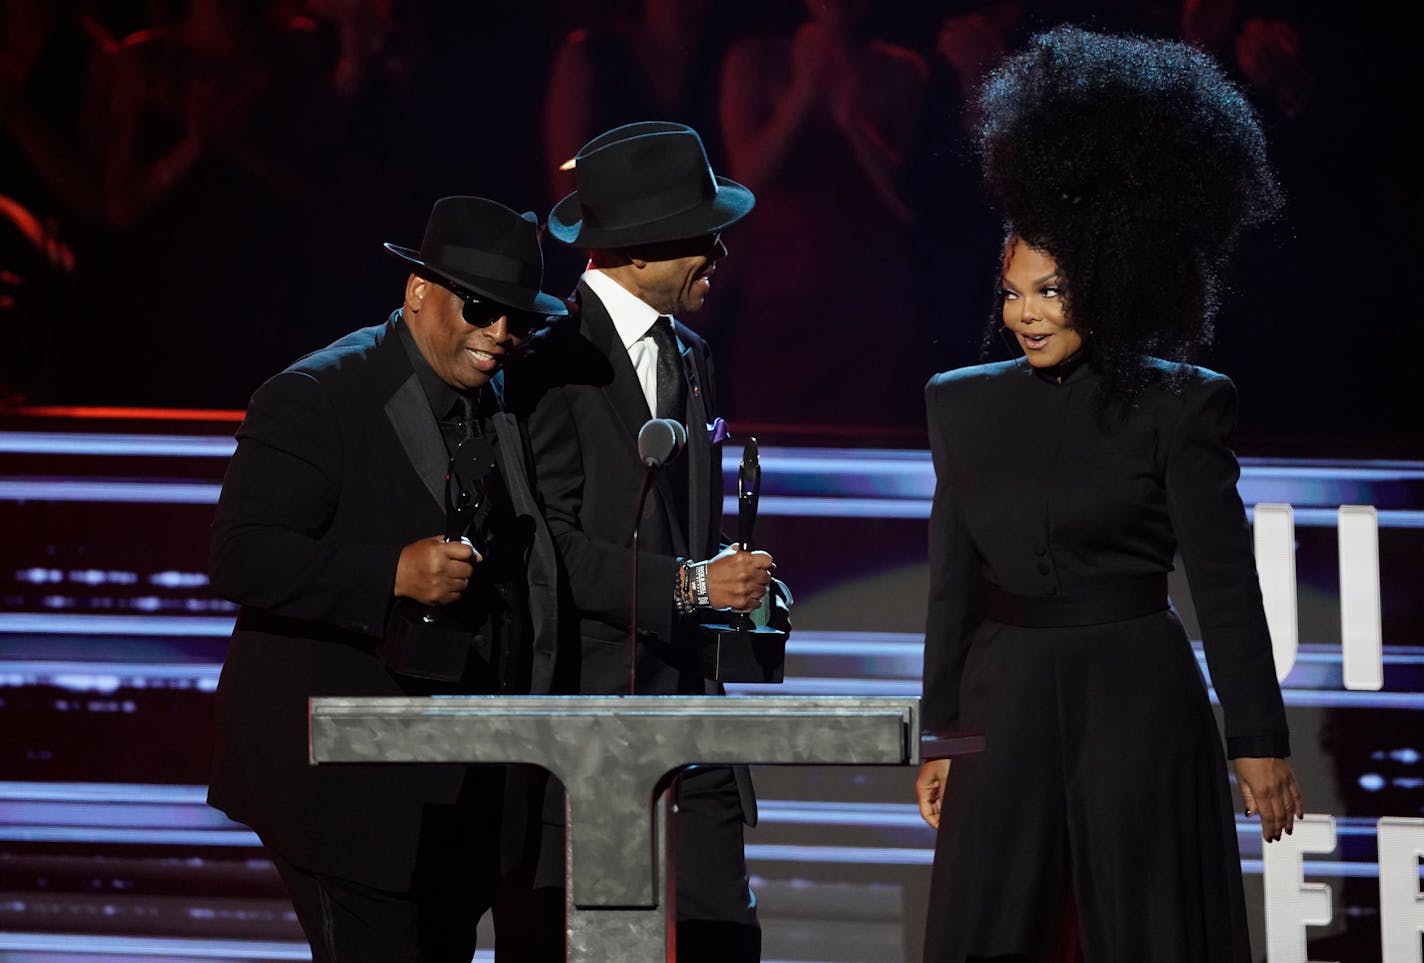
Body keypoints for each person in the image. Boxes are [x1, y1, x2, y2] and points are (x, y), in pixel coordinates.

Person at [913, 26, 1303, 962]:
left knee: (1149, 926)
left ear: (1110, 282)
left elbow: (1223, 579)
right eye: (1013, 294)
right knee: (990, 927)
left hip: (1136, 693)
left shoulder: (1179, 403)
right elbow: (952, 584)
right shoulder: (960, 404)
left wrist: (1258, 738)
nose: (1026, 315)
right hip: (1000, 697)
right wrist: (941, 736)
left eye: (1050, 291)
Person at [207, 196, 567, 963]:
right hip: (346, 792)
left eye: (518, 319)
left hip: (458, 788)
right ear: (417, 291)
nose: (500, 334)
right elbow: (241, 555)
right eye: (480, 308)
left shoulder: (500, 403)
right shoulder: (318, 394)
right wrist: (390, 573)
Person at [520, 120, 778, 963]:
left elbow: (685, 533)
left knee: (722, 938)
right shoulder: (550, 359)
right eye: (705, 236)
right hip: (587, 722)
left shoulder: (692, 355)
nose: (721, 255)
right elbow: (545, 546)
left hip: (692, 718)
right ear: (640, 248)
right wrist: (689, 586)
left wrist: (743, 592)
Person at [716, 0, 928, 431]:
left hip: (871, 298)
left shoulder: (901, 69)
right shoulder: (753, 60)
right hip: (779, 298)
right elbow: (742, 184)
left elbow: (909, 201)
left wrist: (851, 118)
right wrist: (803, 93)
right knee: (772, 443)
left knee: (872, 441)